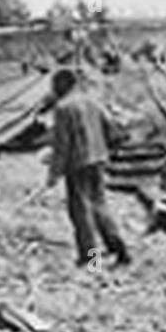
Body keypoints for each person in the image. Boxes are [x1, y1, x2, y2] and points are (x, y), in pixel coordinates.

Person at [46, 68, 130, 269]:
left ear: (62, 85)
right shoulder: (92, 101)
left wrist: (54, 173)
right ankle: (120, 251)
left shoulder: (63, 108)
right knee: (100, 206)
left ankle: (91, 259)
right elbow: (112, 128)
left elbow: (62, 146)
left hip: (78, 165)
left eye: (54, 86)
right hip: (98, 160)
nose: (53, 90)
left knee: (81, 213)